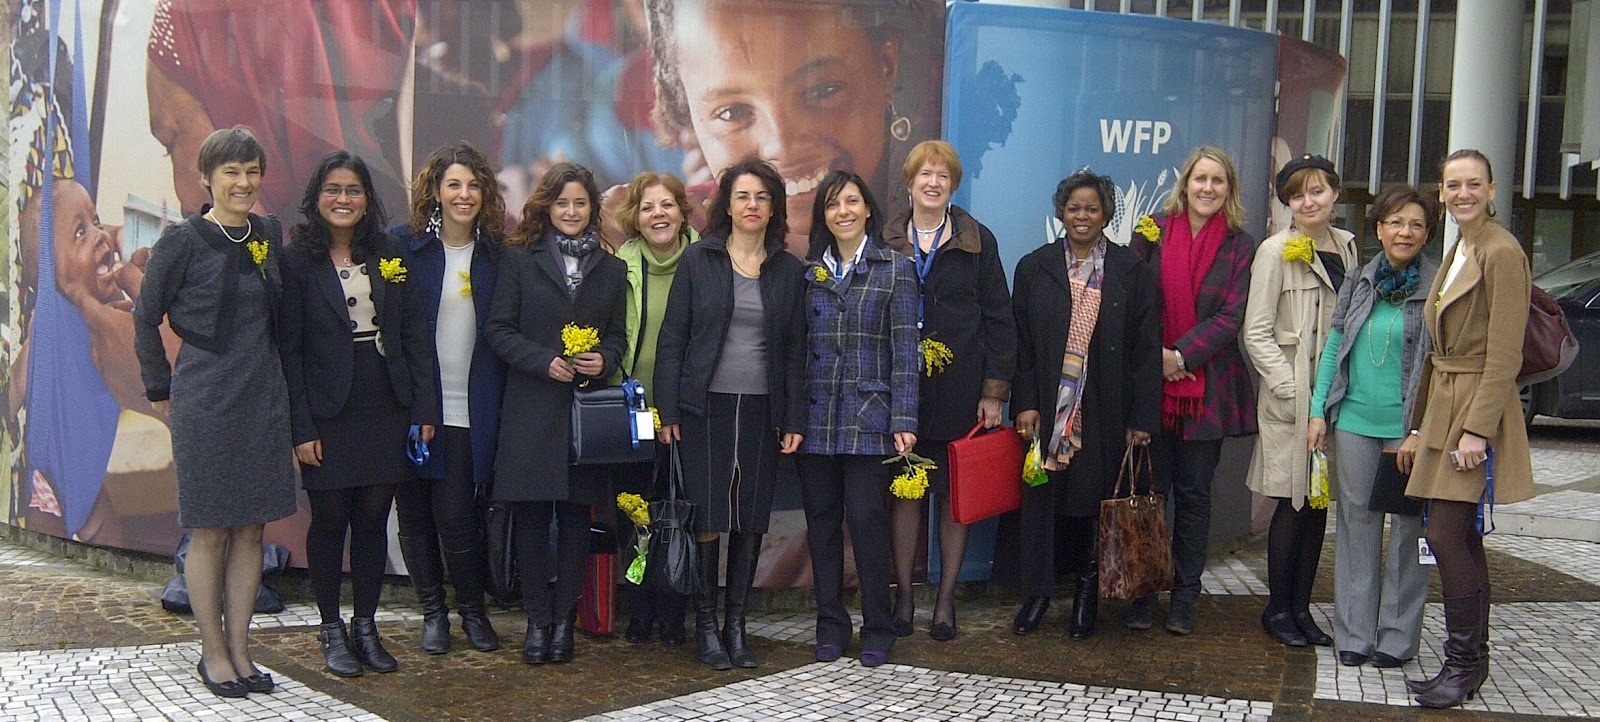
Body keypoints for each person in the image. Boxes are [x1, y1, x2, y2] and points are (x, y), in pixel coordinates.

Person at [134, 126, 298, 697]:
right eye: (231, 172)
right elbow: (145, 316)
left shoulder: (268, 233)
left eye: (252, 171)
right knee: (209, 530)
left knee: (252, 530)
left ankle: (241, 650)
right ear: (207, 178)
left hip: (263, 398)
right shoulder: (181, 240)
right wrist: (159, 387)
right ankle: (213, 653)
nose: (243, 182)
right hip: (204, 400)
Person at [279, 151, 440, 677]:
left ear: (368, 199)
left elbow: (415, 335)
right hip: (326, 407)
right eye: (333, 189)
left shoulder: (390, 252)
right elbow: (290, 351)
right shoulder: (296, 260)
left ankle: (366, 626)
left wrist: (423, 408)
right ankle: (331, 628)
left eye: (353, 190)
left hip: (386, 402)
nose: (343, 199)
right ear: (316, 197)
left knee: (373, 518)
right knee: (330, 519)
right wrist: (300, 426)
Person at [654, 160, 807, 669]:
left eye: (762, 197)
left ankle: (735, 626)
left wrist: (794, 418)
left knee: (750, 518)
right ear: (728, 205)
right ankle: (705, 625)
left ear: (774, 207)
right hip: (704, 408)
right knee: (708, 515)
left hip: (764, 409)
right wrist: (668, 409)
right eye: (743, 196)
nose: (752, 205)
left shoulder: (788, 270)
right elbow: (672, 340)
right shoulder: (699, 259)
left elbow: (795, 351)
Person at [1398, 149, 1534, 709]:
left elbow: (1505, 351)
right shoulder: (1463, 245)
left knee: (1446, 535)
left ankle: (1463, 664)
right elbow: (1439, 346)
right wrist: (1419, 426)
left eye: (1473, 184)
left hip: (1474, 408)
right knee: (1461, 538)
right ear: (1442, 191)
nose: (1462, 194)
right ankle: (1468, 663)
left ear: (1492, 189)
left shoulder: (1500, 251)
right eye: (1453, 185)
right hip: (1447, 404)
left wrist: (1477, 430)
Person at [644, 0, 941, 254]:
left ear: (887, 66)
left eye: (823, 91)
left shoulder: (941, 217)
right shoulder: (679, 233)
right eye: (732, 112)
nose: (781, 145)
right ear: (688, 111)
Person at [486, 162, 628, 665]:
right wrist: (542, 361)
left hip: (583, 416)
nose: (571, 211)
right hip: (530, 407)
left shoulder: (612, 269)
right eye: (562, 202)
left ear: (593, 208)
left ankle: (564, 622)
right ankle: (537, 621)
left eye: (580, 203)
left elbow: (618, 336)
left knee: (574, 520)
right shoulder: (519, 260)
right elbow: (498, 330)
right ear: (547, 207)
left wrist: (604, 359)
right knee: (530, 519)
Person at [1011, 170, 1161, 641]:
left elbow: (1145, 350)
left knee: (1097, 502)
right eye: (1074, 208)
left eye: (1092, 209)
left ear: (1106, 214)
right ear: (1061, 212)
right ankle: (1037, 594)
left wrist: (1141, 418)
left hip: (1106, 407)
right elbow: (1021, 345)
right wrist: (1026, 402)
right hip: (1047, 409)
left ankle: (1087, 594)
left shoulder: (1131, 271)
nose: (1082, 216)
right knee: (1043, 502)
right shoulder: (1034, 267)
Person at [880, 140, 1015, 642]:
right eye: (925, 174)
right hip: (903, 392)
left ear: (953, 185)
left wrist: (994, 392)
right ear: (909, 182)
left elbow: (999, 319)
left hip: (961, 390)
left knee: (956, 497)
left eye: (943, 176)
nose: (933, 183)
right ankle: (904, 599)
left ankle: (945, 601)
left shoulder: (977, 240)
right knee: (907, 492)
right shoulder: (887, 239)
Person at [1124, 145, 1257, 635]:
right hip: (1151, 388)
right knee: (1148, 494)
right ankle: (1143, 593)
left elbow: (1231, 316)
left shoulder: (1240, 245)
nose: (1207, 188)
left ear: (1229, 189)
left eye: (1217, 181)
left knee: (1195, 496)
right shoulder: (1151, 230)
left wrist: (1179, 357)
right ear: (1185, 183)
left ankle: (1184, 597)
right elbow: (1132, 300)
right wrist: (1156, 358)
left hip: (1208, 391)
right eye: (1200, 178)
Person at [1307, 185, 1440, 668]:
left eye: (1416, 224)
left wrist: (1422, 430)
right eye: (1395, 222)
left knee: (1407, 529)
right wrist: (1318, 410)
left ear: (1427, 234)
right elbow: (1334, 346)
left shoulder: (1437, 286)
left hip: (1408, 429)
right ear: (1380, 228)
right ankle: (1355, 634)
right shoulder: (1360, 279)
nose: (1405, 232)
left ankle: (1397, 638)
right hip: (1355, 422)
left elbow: (1441, 366)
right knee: (1356, 526)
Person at [386, 142, 508, 656]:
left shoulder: (498, 255)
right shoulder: (402, 246)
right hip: (410, 406)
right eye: (454, 184)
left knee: (457, 516)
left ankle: (472, 611)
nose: (464, 194)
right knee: (413, 514)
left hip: (468, 407)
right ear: (435, 190)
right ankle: (433, 613)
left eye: (474, 185)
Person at [797, 170, 919, 667]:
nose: (843, 211)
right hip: (815, 418)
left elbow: (905, 352)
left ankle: (878, 625)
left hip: (870, 416)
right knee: (821, 523)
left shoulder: (896, 268)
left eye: (851, 201)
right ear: (823, 216)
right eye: (832, 204)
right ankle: (830, 623)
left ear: (868, 208)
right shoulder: (808, 273)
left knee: (867, 521)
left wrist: (904, 418)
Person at [1241, 154, 1358, 648]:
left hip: (1334, 398)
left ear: (1335, 194)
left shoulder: (1348, 247)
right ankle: (1278, 609)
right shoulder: (1275, 251)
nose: (1308, 202)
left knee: (1317, 503)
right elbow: (1256, 332)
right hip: (1293, 395)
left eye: (1317, 191)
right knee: (1292, 501)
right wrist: (1292, 390)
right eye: (1297, 194)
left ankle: (1303, 608)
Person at [612, 171, 698, 649]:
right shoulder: (618, 266)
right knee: (636, 509)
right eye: (647, 207)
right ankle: (639, 607)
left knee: (679, 509)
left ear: (683, 213)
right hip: (633, 409)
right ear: (635, 217)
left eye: (667, 205)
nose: (658, 214)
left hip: (687, 410)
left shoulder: (708, 261)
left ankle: (674, 611)